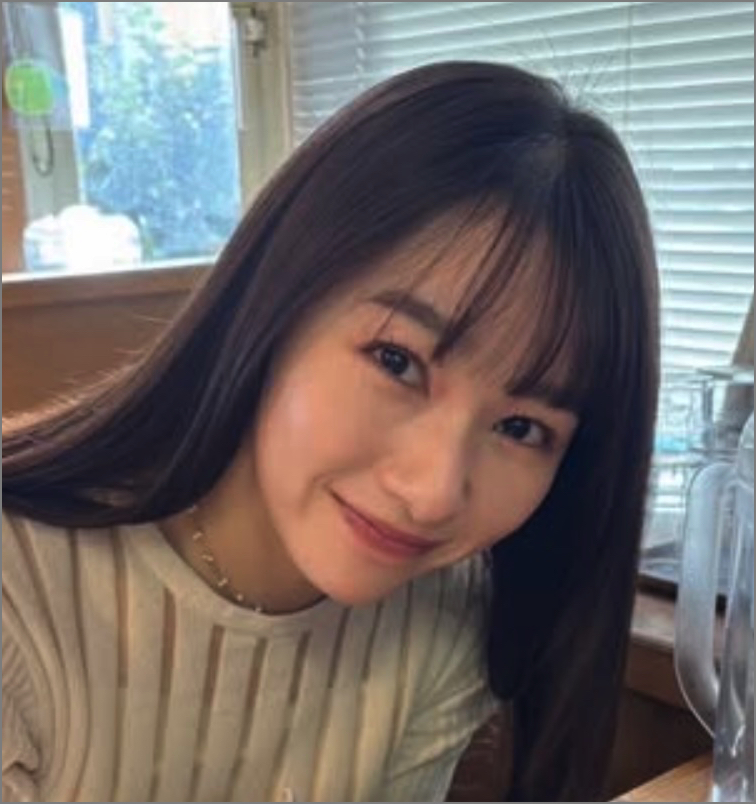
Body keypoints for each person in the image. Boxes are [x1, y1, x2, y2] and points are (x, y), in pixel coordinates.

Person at [2, 61, 659, 802]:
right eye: (397, 361)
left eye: (521, 426)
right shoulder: (18, 594)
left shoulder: (441, 623)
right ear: (275, 300)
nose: (434, 493)